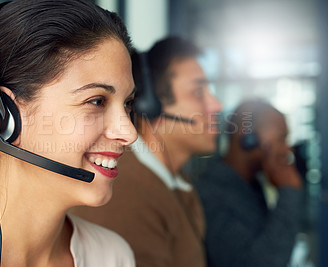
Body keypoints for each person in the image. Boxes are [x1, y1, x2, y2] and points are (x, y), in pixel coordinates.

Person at [0, 0, 138, 266]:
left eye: (127, 104)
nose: (130, 133)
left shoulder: (112, 256)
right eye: (97, 101)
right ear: (4, 116)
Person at [71, 36, 223, 267]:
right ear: (151, 105)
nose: (216, 105)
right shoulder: (120, 193)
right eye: (198, 92)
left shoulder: (175, 179)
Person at [191, 99, 303, 267]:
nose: (287, 149)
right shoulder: (211, 194)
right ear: (247, 134)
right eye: (281, 138)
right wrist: (289, 192)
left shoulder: (250, 186)